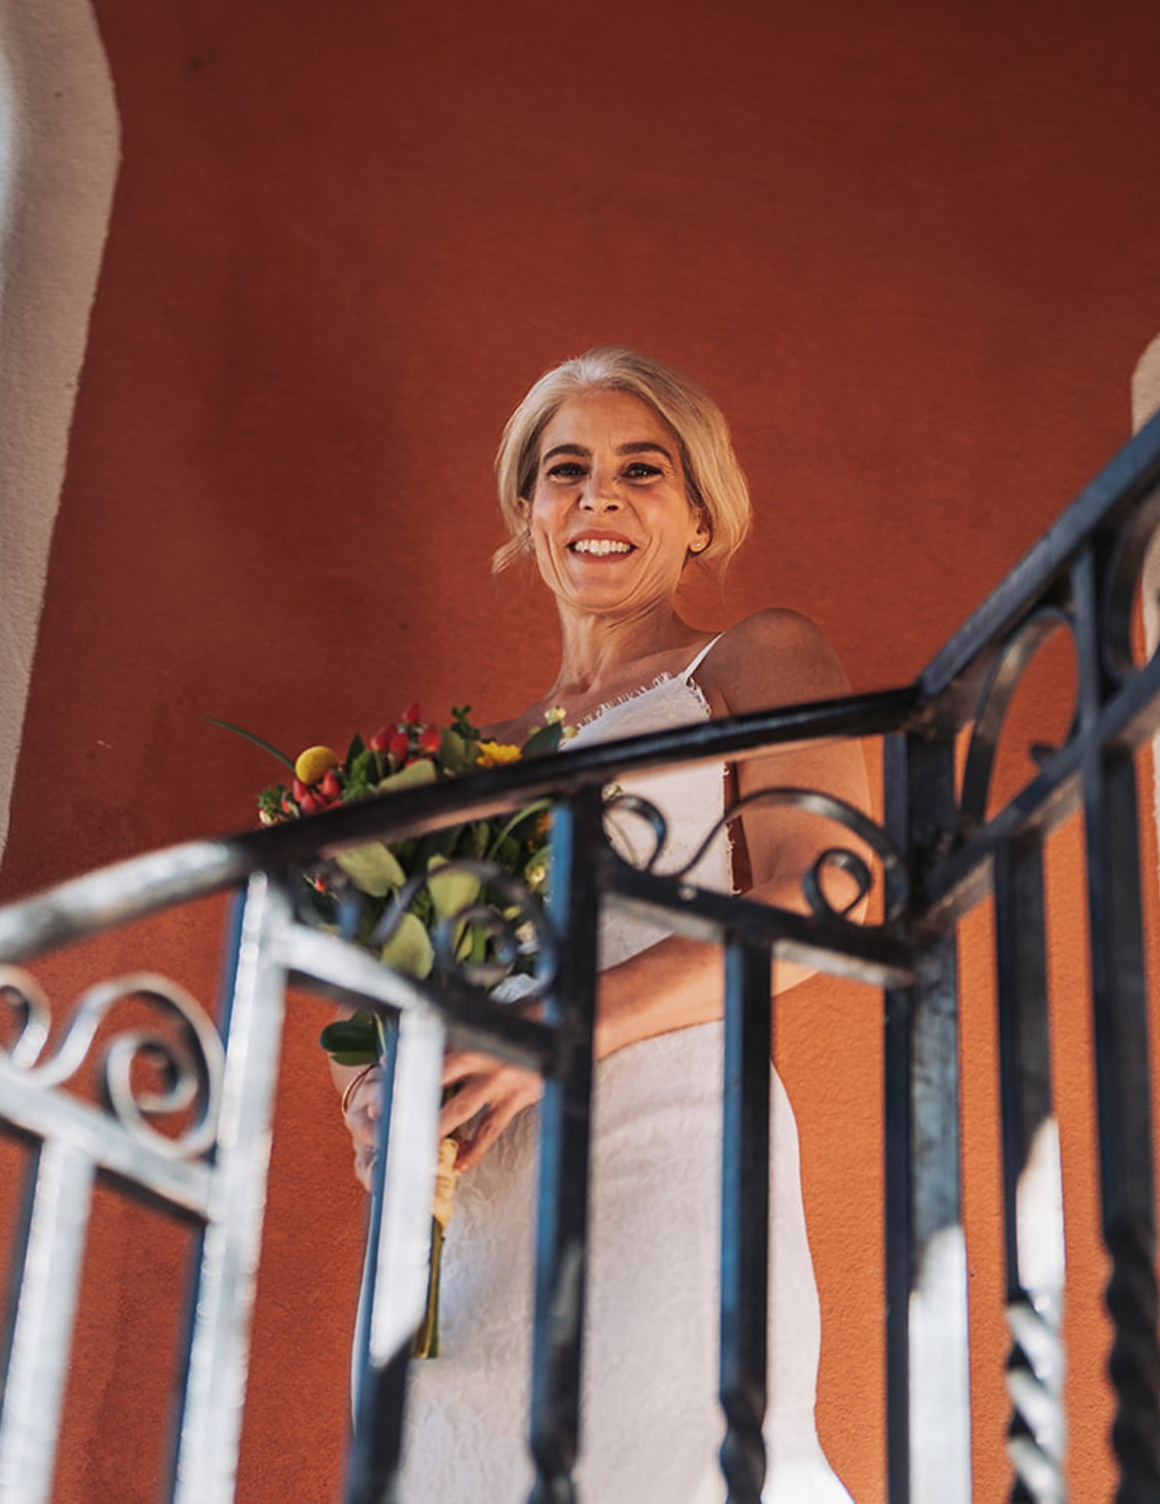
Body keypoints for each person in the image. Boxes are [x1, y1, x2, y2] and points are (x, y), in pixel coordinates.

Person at [331, 346, 861, 1501]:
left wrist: (563, 1019)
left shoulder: (750, 656)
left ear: (701, 512)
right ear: (529, 514)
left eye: (642, 468)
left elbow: (835, 893)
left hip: (670, 1153)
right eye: (565, 468)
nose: (599, 495)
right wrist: (379, 1094)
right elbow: (398, 997)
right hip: (475, 1209)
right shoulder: (463, 766)